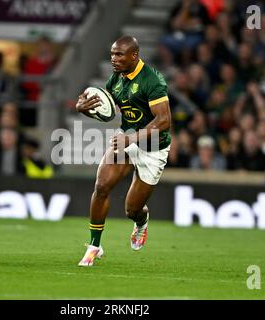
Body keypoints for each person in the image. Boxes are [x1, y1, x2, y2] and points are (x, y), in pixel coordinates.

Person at [74, 36, 172, 267]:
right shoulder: (116, 79)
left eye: (119, 55)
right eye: (112, 54)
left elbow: (164, 120)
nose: (113, 59)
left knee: (132, 209)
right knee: (101, 186)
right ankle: (94, 246)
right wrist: (83, 109)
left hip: (153, 147)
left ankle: (142, 221)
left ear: (134, 55)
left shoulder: (152, 81)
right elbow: (106, 111)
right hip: (126, 138)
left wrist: (132, 137)